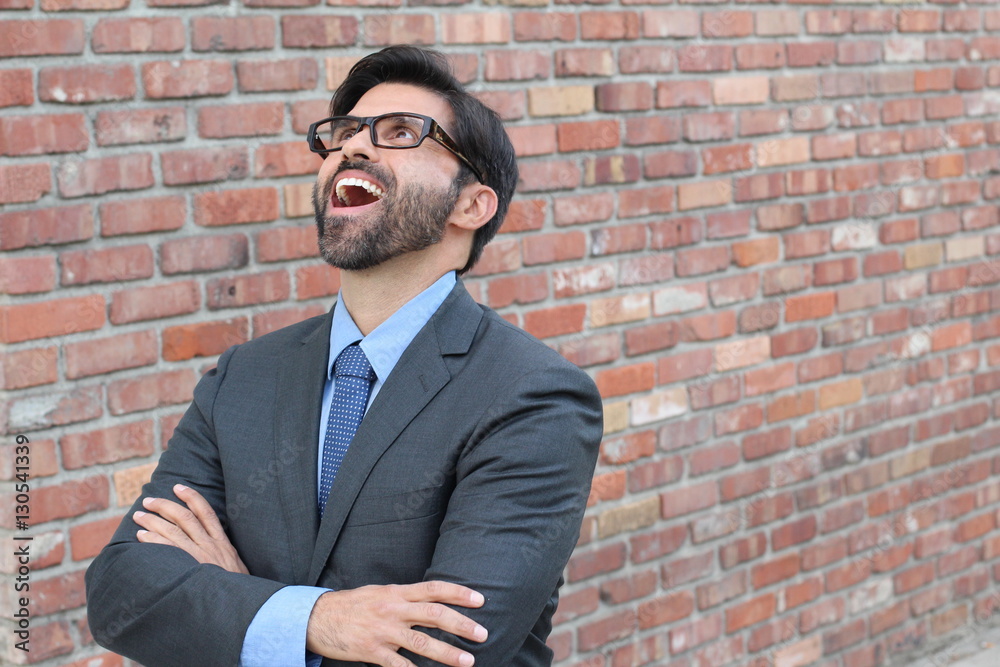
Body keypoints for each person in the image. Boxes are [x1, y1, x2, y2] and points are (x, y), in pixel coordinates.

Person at [85, 45, 603, 667]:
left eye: (402, 133)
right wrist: (320, 619)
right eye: (343, 133)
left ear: (472, 205)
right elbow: (121, 595)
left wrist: (241, 604)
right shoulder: (242, 377)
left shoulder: (533, 395)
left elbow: (442, 653)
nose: (353, 148)